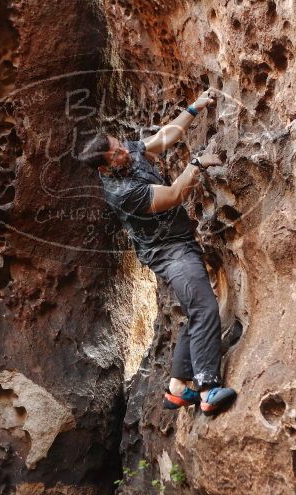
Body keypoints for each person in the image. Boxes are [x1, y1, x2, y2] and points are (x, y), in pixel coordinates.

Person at [79, 89, 236, 415]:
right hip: (170, 253)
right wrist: (197, 165)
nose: (124, 149)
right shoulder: (122, 193)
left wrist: (194, 108)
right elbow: (175, 194)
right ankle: (207, 389)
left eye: (119, 143)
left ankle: (178, 389)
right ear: (104, 167)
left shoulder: (126, 156)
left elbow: (163, 139)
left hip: (180, 243)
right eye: (115, 152)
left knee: (196, 310)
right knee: (206, 309)